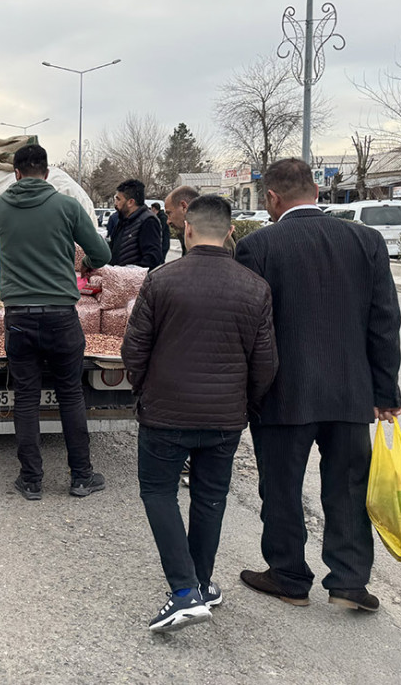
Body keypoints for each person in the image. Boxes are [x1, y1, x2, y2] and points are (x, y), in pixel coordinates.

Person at [236, 158, 401, 613]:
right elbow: (384, 322)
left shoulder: (258, 246)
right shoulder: (365, 240)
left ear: (272, 197)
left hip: (283, 394)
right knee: (348, 487)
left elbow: (252, 328)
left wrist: (247, 391)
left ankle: (289, 576)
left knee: (282, 487)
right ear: (316, 189)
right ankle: (350, 581)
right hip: (352, 394)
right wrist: (385, 393)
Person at [122, 195, 278, 632]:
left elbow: (133, 351)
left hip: (165, 414)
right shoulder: (255, 287)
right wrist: (245, 405)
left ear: (186, 230)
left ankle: (185, 591)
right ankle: (202, 583)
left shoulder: (160, 281)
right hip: (225, 418)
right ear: (231, 232)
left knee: (158, 493)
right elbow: (265, 363)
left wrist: (145, 390)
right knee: (210, 498)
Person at [0, 144, 112, 500]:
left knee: (27, 399)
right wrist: (82, 264)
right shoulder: (67, 206)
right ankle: (81, 476)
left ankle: (31, 480)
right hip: (62, 318)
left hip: (18, 319)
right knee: (70, 396)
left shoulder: (1, 206)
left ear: (16, 173)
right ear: (47, 173)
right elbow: (103, 255)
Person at [109, 179, 165, 269]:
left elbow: (152, 258)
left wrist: (129, 274)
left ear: (131, 202)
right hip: (118, 279)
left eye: (118, 199)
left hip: (135, 281)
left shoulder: (148, 221)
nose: (115, 203)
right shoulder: (123, 220)